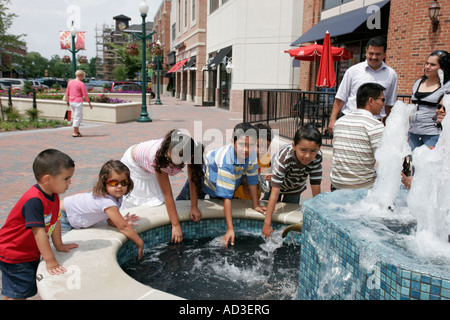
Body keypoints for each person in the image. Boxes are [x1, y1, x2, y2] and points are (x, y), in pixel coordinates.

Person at [0, 149, 78, 300]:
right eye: (66, 178)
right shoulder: (34, 201)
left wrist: (59, 245)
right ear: (47, 179)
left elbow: (54, 222)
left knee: (23, 289)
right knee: (18, 292)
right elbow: (39, 232)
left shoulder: (54, 195)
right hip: (14, 252)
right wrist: (50, 261)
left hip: (28, 252)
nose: (70, 183)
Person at [176, 122, 267, 246]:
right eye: (241, 144)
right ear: (232, 142)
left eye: (250, 145)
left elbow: (252, 180)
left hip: (217, 186)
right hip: (201, 181)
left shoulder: (251, 155)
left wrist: (256, 204)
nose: (246, 149)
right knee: (183, 207)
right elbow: (227, 196)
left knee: (216, 215)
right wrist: (230, 229)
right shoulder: (227, 160)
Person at [120, 129, 204, 243]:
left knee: (157, 201)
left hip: (152, 163)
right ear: (168, 152)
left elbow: (193, 179)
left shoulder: (191, 151)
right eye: (170, 159)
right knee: (143, 200)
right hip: (134, 165)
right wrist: (175, 226)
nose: (171, 165)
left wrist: (194, 206)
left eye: (178, 163)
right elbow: (167, 194)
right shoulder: (159, 156)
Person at [60, 160, 144, 260]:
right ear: (104, 183)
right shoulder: (107, 202)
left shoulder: (116, 196)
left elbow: (110, 220)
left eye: (124, 182)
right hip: (62, 216)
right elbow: (123, 227)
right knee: (60, 249)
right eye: (114, 183)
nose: (119, 186)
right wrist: (140, 243)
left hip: (69, 213)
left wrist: (119, 220)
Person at [262, 124, 322, 238]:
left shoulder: (317, 158)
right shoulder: (284, 157)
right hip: (275, 185)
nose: (308, 156)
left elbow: (316, 189)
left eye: (313, 151)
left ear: (319, 149)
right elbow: (274, 195)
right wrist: (266, 224)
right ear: (294, 145)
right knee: (269, 208)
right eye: (303, 150)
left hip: (295, 187)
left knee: (289, 217)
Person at [328, 36, 398, 133]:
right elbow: (340, 97)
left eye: (378, 54)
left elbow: (389, 104)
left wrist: (386, 125)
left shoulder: (391, 75)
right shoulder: (353, 71)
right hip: (350, 120)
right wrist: (332, 120)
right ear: (366, 52)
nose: (374, 57)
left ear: (384, 54)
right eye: (371, 53)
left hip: (374, 122)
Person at [330, 83, 386, 190]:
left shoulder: (340, 122)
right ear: (371, 101)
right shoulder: (374, 125)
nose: (383, 104)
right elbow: (385, 162)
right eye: (382, 100)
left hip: (336, 185)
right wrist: (406, 180)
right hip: (361, 188)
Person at [409, 50, 450, 151]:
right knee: (413, 165)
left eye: (432, 65)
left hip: (433, 133)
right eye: (427, 63)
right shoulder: (418, 82)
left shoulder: (447, 86)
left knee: (429, 165)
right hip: (413, 133)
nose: (427, 67)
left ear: (442, 68)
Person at [234, 123, 273, 200]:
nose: (262, 150)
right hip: (237, 196)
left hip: (254, 198)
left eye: (266, 146)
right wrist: (245, 183)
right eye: (259, 146)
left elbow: (264, 180)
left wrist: (268, 178)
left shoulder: (267, 160)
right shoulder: (244, 157)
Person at [65, 70, 92, 137]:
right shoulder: (81, 84)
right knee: (77, 116)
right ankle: (75, 132)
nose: (83, 78)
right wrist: (89, 103)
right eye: (83, 76)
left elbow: (67, 92)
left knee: (79, 115)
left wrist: (67, 101)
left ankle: (77, 130)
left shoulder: (70, 82)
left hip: (71, 101)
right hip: (78, 102)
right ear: (80, 76)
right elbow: (85, 94)